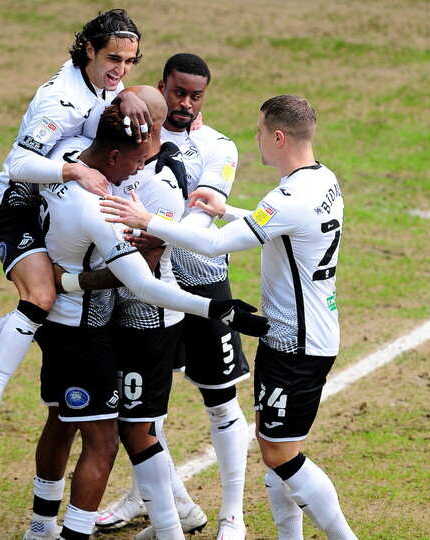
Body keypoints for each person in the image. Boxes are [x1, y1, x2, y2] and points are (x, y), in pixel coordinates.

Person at [102, 94, 359, 540]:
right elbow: (280, 227)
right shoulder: (323, 180)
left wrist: (149, 221)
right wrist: (227, 211)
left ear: (278, 137)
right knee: (278, 449)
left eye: (260, 131)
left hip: (296, 344)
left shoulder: (289, 198)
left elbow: (214, 245)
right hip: (307, 334)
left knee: (280, 455)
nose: (255, 138)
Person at [25, 102, 268, 540]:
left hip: (151, 320)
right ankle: (172, 515)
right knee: (125, 425)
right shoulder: (84, 170)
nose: (135, 169)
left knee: (139, 427)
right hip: (110, 318)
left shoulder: (156, 182)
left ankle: (201, 521)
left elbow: (146, 275)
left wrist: (68, 282)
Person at [0, 9, 152, 434]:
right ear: (89, 50)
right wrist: (72, 171)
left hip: (53, 203)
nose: (121, 70)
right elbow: (17, 165)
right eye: (113, 59)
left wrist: (128, 95)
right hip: (16, 204)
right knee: (42, 297)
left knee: (52, 304)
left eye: (129, 62)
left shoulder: (106, 82)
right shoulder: (59, 101)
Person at [94, 53, 250, 540]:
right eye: (178, 93)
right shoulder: (136, 131)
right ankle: (152, 498)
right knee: (143, 407)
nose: (185, 103)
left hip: (201, 281)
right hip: (145, 292)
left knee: (220, 399)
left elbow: (202, 217)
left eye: (195, 96)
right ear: (161, 87)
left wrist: (156, 229)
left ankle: (232, 515)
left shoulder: (218, 146)